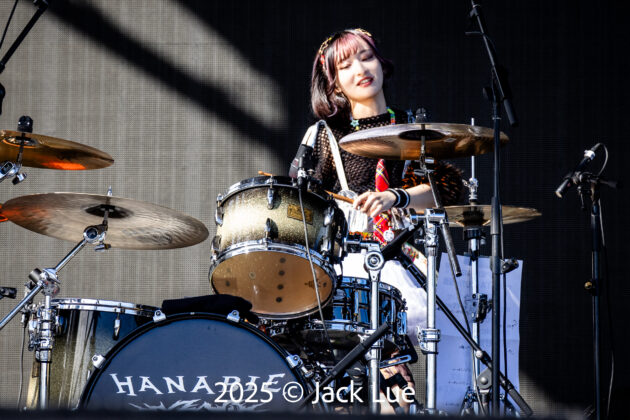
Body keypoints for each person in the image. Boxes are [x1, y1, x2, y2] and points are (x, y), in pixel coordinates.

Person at [295, 28, 464, 412]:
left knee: (393, 378)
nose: (360, 69)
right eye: (345, 65)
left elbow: (446, 188)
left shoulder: (411, 126)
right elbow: (303, 204)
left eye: (366, 57)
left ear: (381, 63)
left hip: (398, 263)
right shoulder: (324, 135)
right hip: (344, 271)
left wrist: (397, 197)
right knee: (342, 384)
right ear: (333, 83)